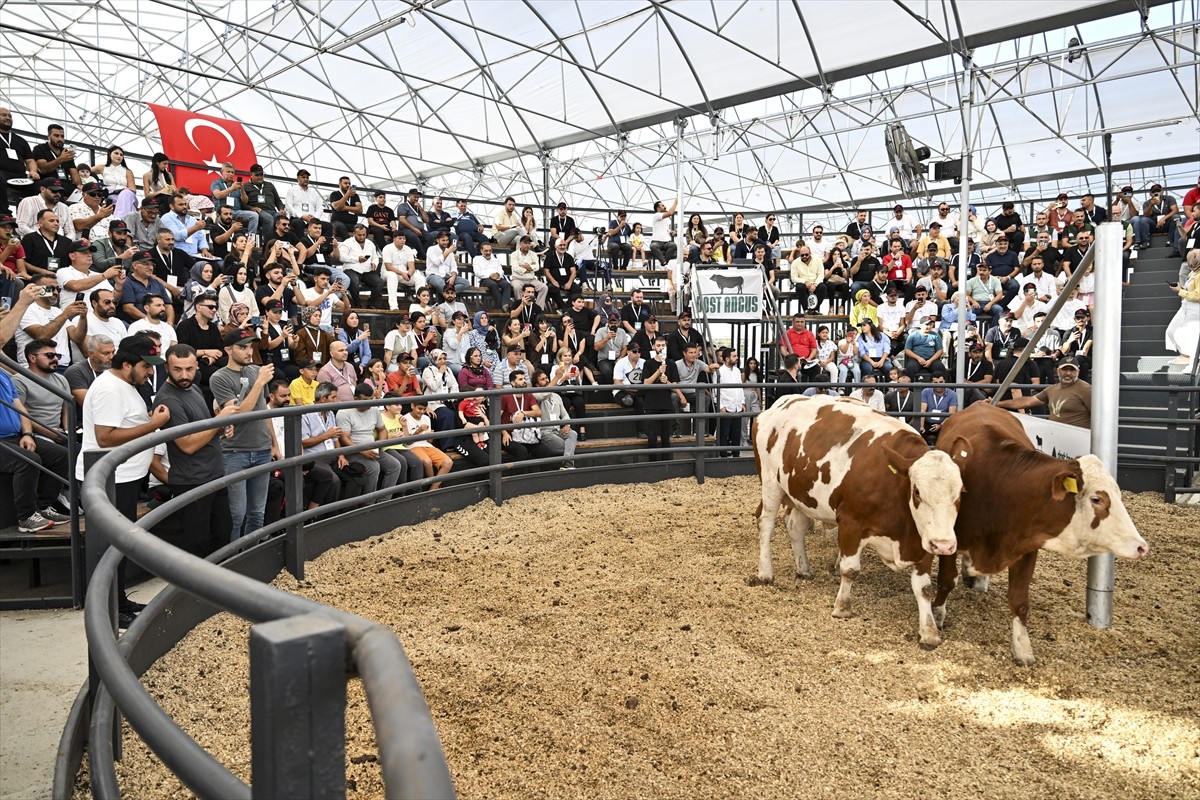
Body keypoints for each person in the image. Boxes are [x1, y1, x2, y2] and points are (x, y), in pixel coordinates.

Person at [76, 335, 171, 627]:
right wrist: (153, 425)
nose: (150, 372)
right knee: (112, 545)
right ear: (126, 363)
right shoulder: (108, 389)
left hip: (126, 478)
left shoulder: (126, 385)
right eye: (146, 366)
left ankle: (118, 600)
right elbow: (105, 437)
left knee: (121, 544)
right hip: (111, 480)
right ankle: (111, 608)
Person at [155, 344, 238, 557]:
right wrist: (219, 420)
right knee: (196, 544)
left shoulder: (192, 387)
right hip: (191, 480)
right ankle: (191, 590)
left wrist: (220, 429)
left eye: (189, 369)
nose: (184, 375)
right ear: (166, 368)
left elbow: (203, 428)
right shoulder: (168, 399)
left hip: (213, 474)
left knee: (221, 536)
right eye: (177, 369)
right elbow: (187, 445)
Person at [209, 329, 276, 540]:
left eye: (250, 347)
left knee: (257, 512)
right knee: (236, 515)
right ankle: (234, 560)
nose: (248, 352)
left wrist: (274, 443)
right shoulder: (219, 377)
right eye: (242, 347)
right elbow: (238, 414)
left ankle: (252, 555)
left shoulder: (256, 370)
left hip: (262, 448)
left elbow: (263, 409)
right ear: (228, 350)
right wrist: (258, 383)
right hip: (235, 452)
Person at [0, 353, 71, 534]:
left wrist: (27, 433)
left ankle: (44, 506)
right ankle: (26, 516)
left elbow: (20, 408)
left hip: (16, 435)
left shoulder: (5, 375)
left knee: (61, 455)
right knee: (28, 461)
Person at [337, 384, 405, 497]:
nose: (369, 403)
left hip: (373, 447)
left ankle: (384, 500)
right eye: (365, 400)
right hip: (353, 450)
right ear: (355, 399)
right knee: (374, 467)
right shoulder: (344, 412)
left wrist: (379, 444)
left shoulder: (374, 409)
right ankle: (368, 503)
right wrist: (363, 450)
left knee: (395, 465)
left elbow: (382, 430)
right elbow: (344, 438)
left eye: (371, 399)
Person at [15, 273, 87, 369]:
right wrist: (65, 314)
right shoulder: (27, 309)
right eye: (51, 288)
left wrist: (83, 317)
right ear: (36, 289)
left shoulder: (58, 311)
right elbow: (41, 336)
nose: (56, 292)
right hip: (34, 368)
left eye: (58, 289)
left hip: (62, 366)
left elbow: (77, 338)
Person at [998, 357, 1091, 428]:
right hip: (1056, 437)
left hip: (1079, 438)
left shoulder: (1086, 389)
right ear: (1057, 371)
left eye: (1072, 370)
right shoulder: (1051, 390)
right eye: (1065, 369)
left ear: (1078, 371)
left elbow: (1101, 418)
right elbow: (1027, 401)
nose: (1068, 373)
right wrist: (997, 403)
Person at [400, 400, 453, 488]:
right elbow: (407, 442)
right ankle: (434, 487)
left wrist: (431, 435)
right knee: (427, 461)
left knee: (448, 462)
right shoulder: (405, 418)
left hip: (427, 445)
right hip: (412, 446)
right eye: (419, 408)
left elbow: (429, 441)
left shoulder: (426, 418)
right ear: (412, 406)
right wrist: (418, 431)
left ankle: (432, 489)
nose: (421, 412)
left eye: (424, 409)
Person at [1165, 249, 1199, 367]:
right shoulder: (1193, 273)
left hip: (1195, 309)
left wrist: (1180, 291)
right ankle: (1184, 355)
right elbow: (1190, 291)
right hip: (1186, 305)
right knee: (1171, 330)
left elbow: (1197, 296)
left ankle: (1189, 357)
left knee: (1186, 332)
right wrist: (1181, 289)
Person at [713, 347, 744, 457]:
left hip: (737, 406)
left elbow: (740, 387)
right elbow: (715, 391)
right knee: (724, 433)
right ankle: (723, 455)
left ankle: (736, 455)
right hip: (726, 406)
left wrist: (742, 402)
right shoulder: (719, 372)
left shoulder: (737, 370)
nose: (737, 358)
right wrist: (721, 406)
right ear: (727, 359)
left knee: (736, 433)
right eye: (734, 356)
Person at [473, 241, 514, 311]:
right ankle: (500, 307)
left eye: (490, 250)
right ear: (481, 250)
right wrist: (490, 275)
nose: (488, 252)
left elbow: (501, 271)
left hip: (497, 278)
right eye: (486, 251)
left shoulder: (495, 260)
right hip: (485, 279)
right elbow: (477, 272)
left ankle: (505, 304)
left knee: (507, 284)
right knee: (493, 284)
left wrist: (498, 275)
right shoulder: (477, 259)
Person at [918, 374, 957, 444]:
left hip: (944, 424)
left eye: (941, 382)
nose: (938, 385)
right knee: (918, 438)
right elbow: (922, 410)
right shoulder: (926, 391)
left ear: (945, 381)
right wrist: (921, 426)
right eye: (935, 383)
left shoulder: (952, 394)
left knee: (948, 440)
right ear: (931, 383)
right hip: (927, 422)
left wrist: (940, 425)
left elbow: (951, 414)